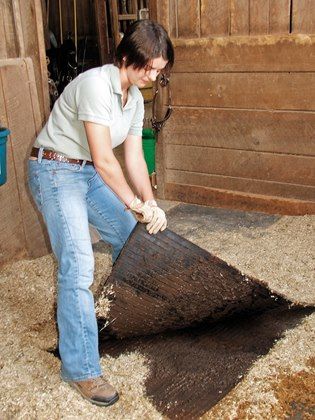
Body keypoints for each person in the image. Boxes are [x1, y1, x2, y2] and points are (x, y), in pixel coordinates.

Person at [28, 19, 174, 407]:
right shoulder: (95, 84)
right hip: (55, 170)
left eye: (159, 70)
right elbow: (105, 161)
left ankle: (120, 316)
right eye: (147, 67)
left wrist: (150, 201)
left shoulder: (135, 100)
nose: (152, 76)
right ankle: (81, 369)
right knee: (77, 263)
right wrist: (134, 204)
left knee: (132, 239)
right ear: (126, 57)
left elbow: (133, 159)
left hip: (87, 173)